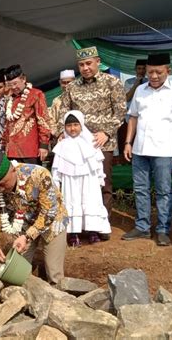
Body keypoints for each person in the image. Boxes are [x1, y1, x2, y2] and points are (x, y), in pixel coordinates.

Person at [122, 53, 172, 246]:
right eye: (150, 71)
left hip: (164, 149)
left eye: (158, 72)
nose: (153, 76)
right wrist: (128, 142)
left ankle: (163, 229)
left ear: (168, 71)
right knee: (141, 189)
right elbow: (133, 117)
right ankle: (142, 227)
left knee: (163, 190)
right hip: (139, 149)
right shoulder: (140, 90)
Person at [59, 47, 127, 239]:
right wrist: (61, 134)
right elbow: (63, 113)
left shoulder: (112, 82)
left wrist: (106, 132)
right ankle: (79, 225)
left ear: (98, 62)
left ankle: (100, 225)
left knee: (102, 184)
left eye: (89, 63)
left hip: (101, 143)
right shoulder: (72, 87)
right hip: (76, 144)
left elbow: (120, 111)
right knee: (77, 185)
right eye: (81, 65)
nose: (85, 68)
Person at [0, 150, 68, 285]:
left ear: (13, 170)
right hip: (24, 223)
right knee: (17, 269)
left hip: (53, 222)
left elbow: (49, 212)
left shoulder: (39, 175)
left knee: (54, 271)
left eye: (4, 184)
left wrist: (27, 236)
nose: (1, 189)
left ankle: (58, 301)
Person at [51, 111, 111, 246]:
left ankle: (93, 231)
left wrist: (100, 178)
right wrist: (56, 182)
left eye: (76, 125)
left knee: (90, 201)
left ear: (81, 125)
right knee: (71, 201)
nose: (72, 128)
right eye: (69, 125)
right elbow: (56, 167)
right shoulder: (61, 145)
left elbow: (98, 162)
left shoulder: (91, 143)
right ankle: (73, 233)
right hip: (70, 180)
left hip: (89, 180)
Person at [2, 64, 51, 164]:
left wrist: (44, 145)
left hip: (30, 149)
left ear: (23, 79)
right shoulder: (9, 100)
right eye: (10, 85)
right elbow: (6, 125)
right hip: (11, 151)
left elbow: (43, 120)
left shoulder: (36, 94)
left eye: (15, 83)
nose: (14, 87)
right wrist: (4, 146)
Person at [118, 59, 148, 153]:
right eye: (139, 68)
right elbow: (127, 98)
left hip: (145, 116)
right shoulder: (129, 82)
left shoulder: (150, 82)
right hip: (131, 117)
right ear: (135, 69)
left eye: (143, 69)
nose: (141, 71)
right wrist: (136, 84)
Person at [50, 69, 76, 138]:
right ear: (60, 83)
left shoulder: (81, 98)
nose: (66, 85)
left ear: (74, 82)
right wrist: (59, 134)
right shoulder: (56, 101)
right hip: (63, 137)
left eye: (69, 82)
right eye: (64, 83)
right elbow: (51, 122)